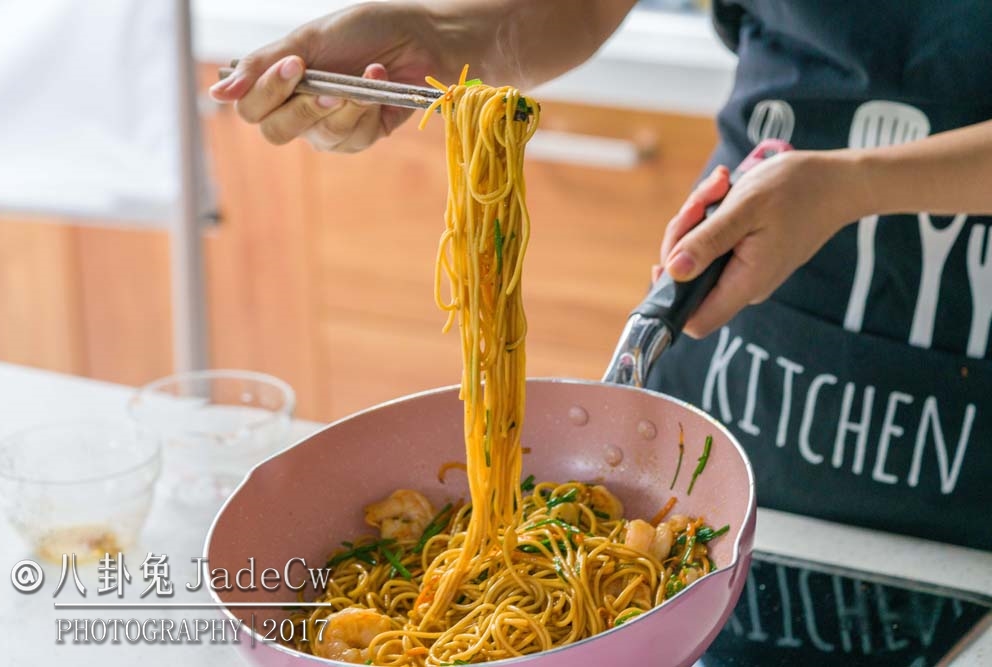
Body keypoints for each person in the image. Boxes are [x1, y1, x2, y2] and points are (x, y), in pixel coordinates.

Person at [211, 1, 992, 551]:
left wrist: (851, 186)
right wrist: (435, 34)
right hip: (737, 313)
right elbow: (584, 6)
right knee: (670, 556)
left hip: (969, 434)